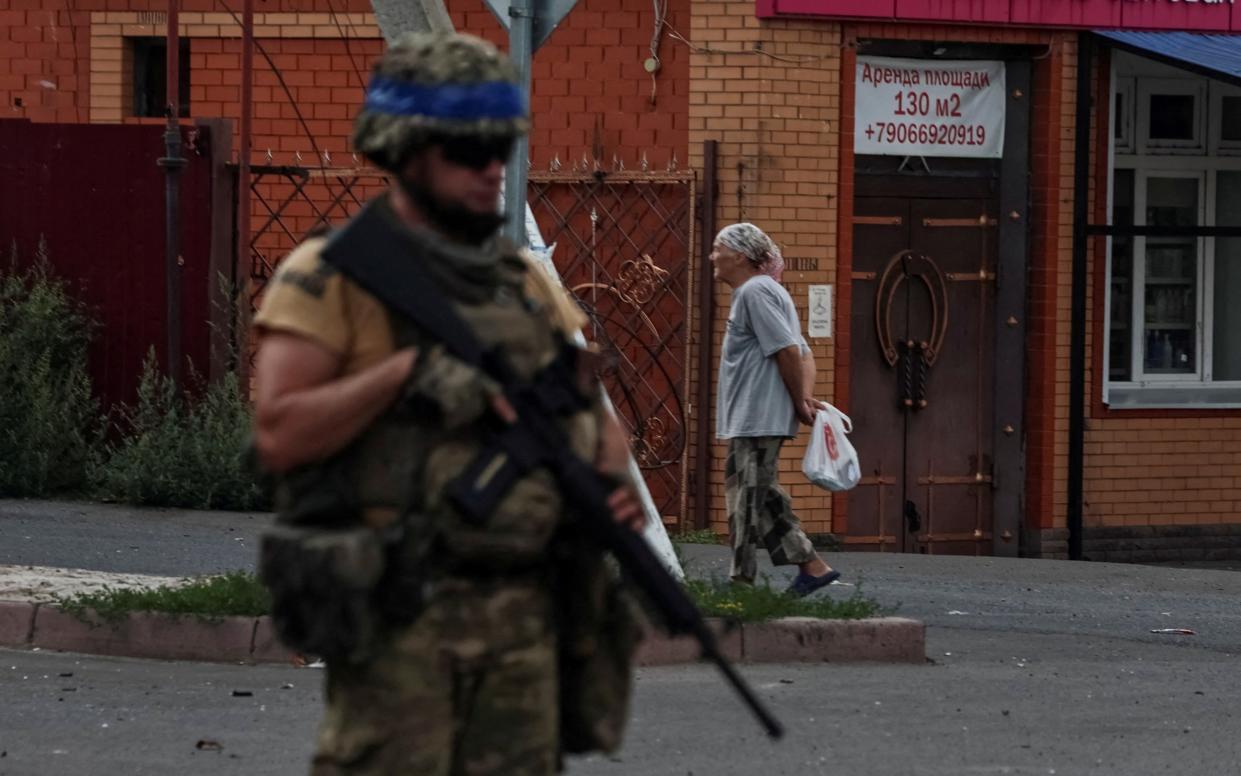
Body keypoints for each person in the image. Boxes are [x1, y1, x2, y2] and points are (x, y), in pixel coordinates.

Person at [251, 32, 643, 775]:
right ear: (406, 149)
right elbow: (280, 435)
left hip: (523, 619)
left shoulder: (521, 283)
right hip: (403, 616)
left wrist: (607, 483)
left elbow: (593, 416)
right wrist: (404, 373)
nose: (493, 167)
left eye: (499, 146)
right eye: (469, 150)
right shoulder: (332, 275)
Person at [711, 222, 841, 597]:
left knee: (743, 500)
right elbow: (802, 351)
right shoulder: (765, 291)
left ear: (739, 255)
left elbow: (788, 351)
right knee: (763, 495)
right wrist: (801, 396)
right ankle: (812, 567)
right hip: (755, 416)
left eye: (718, 249)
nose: (712, 256)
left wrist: (801, 400)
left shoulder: (755, 291)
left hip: (757, 417)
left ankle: (741, 584)